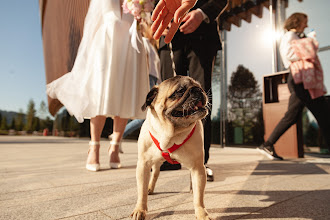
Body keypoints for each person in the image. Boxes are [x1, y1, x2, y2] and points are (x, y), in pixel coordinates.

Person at [46, 0, 149, 171]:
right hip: (106, 45)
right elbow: (92, 22)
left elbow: (146, 22)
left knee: (126, 96)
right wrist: (87, 57)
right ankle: (94, 147)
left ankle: (114, 146)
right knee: (101, 96)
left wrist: (144, 16)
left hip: (131, 45)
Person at [158, 0, 228, 181]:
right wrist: (158, 20)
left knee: (201, 99)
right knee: (169, 98)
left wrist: (201, 14)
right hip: (170, 37)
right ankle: (170, 156)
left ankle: (200, 161)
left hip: (203, 36)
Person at [259, 12, 330, 160]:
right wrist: (308, 45)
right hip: (301, 79)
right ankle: (267, 144)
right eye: (305, 21)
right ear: (297, 21)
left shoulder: (297, 36)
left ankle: (268, 144)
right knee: (322, 114)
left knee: (294, 116)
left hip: (303, 79)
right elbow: (289, 56)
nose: (307, 24)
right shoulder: (290, 36)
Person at [109, 18, 162, 146]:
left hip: (152, 79)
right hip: (148, 79)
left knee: (142, 114)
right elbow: (146, 64)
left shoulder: (150, 45)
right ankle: (118, 135)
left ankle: (118, 137)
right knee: (145, 114)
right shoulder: (144, 42)